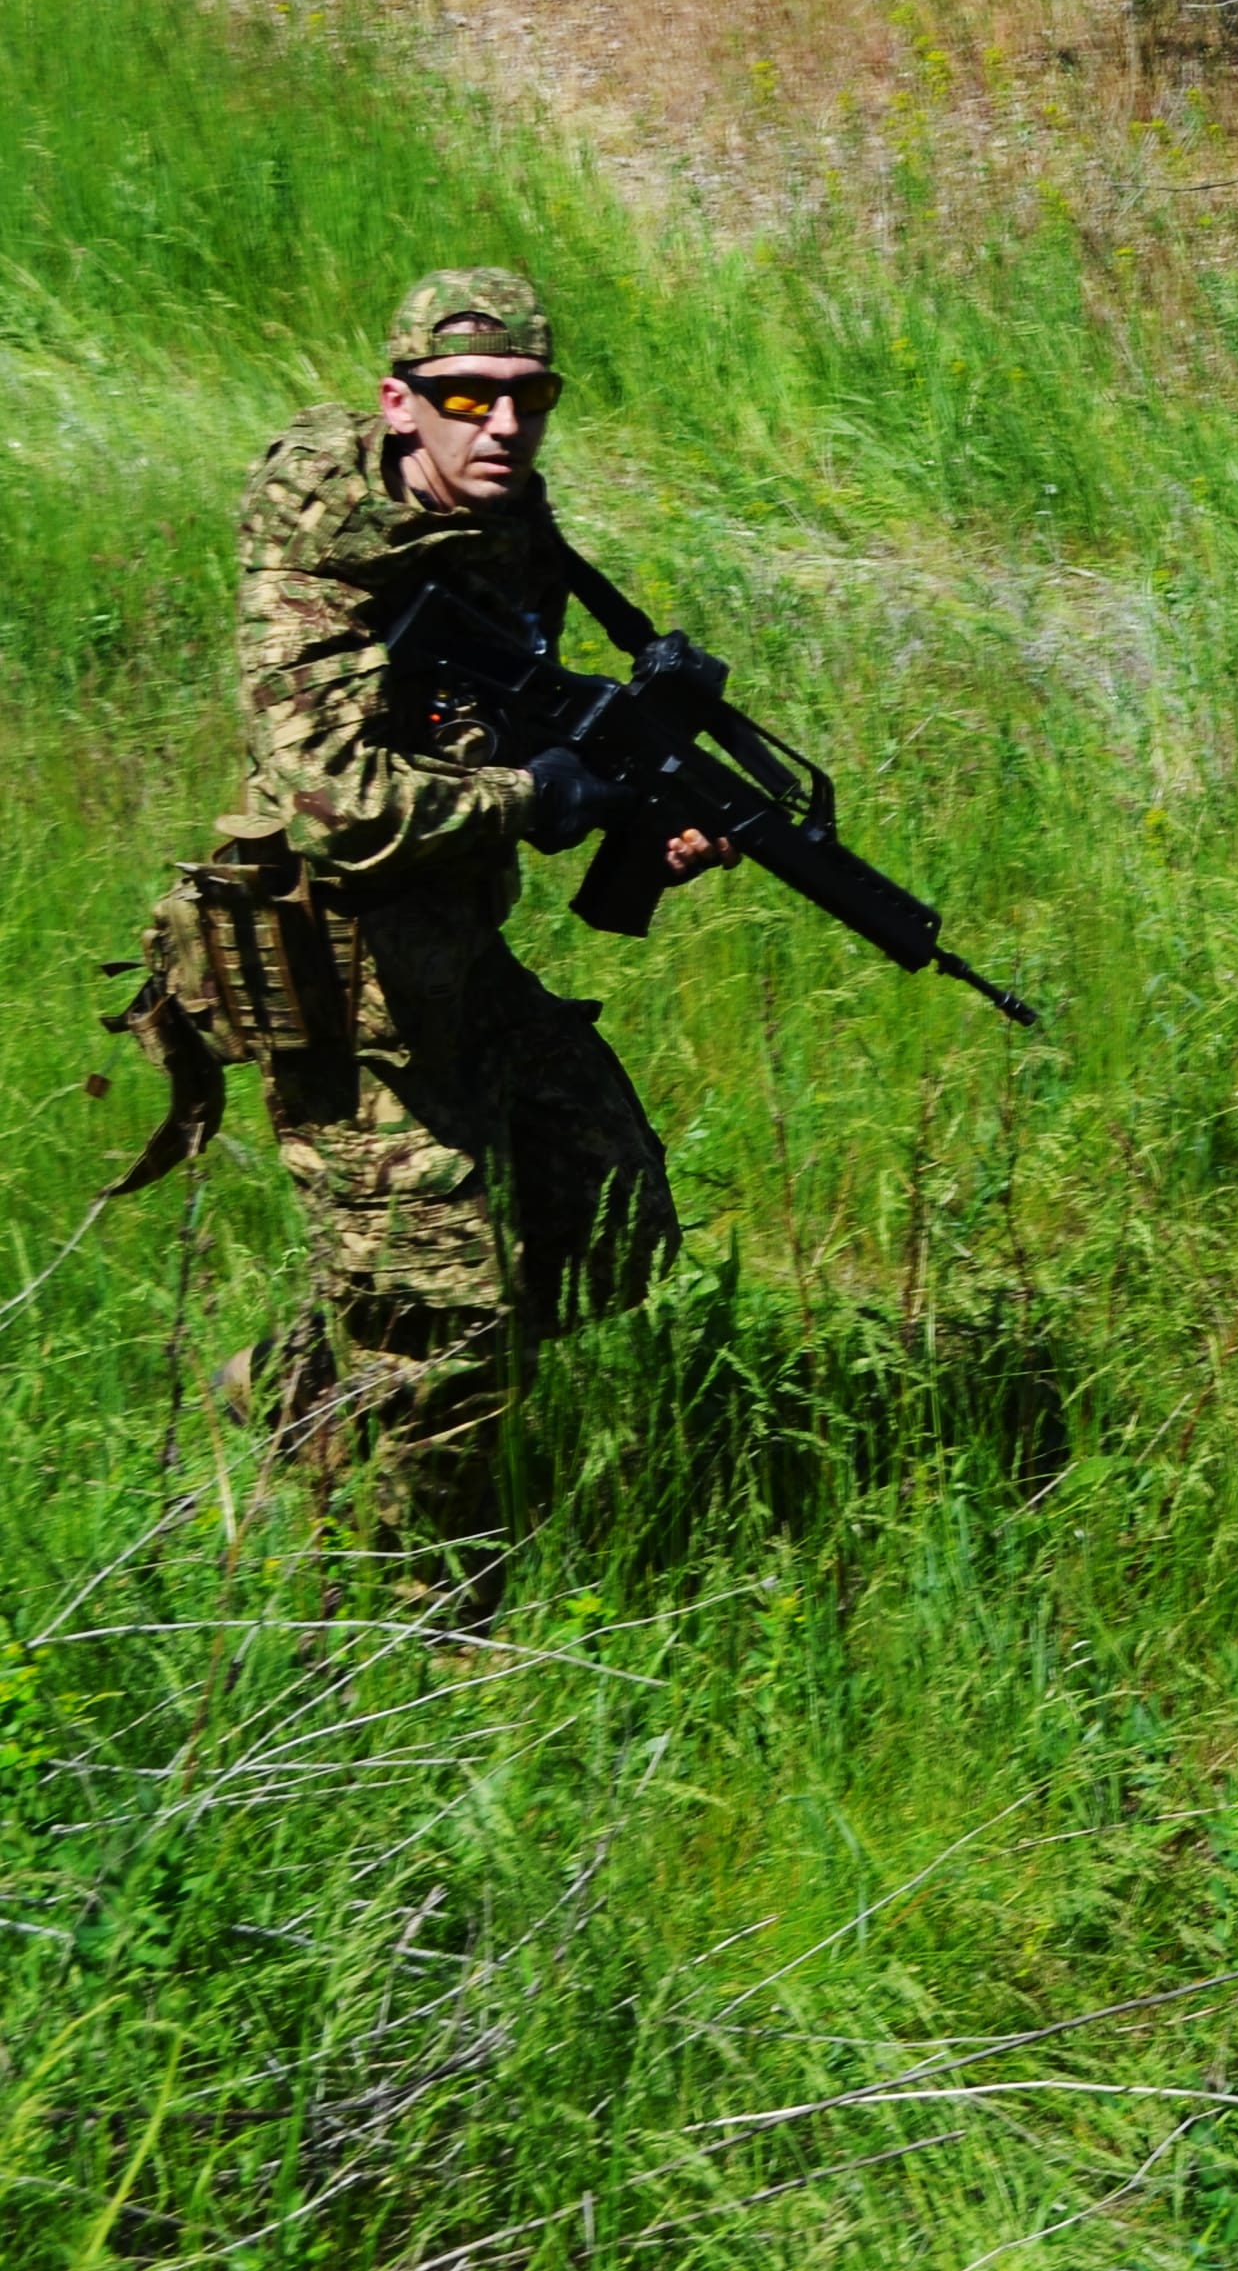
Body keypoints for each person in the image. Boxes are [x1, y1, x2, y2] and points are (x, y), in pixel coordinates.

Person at [167, 268, 730, 1608]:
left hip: (454, 953)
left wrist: (621, 791)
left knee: (613, 1218)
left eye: (529, 399)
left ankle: (295, 1388)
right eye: (466, 398)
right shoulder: (320, 537)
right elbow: (332, 803)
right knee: (451, 1337)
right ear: (398, 401)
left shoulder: (507, 517)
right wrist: (536, 798)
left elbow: (493, 713)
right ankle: (412, 1620)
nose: (502, 426)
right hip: (332, 974)